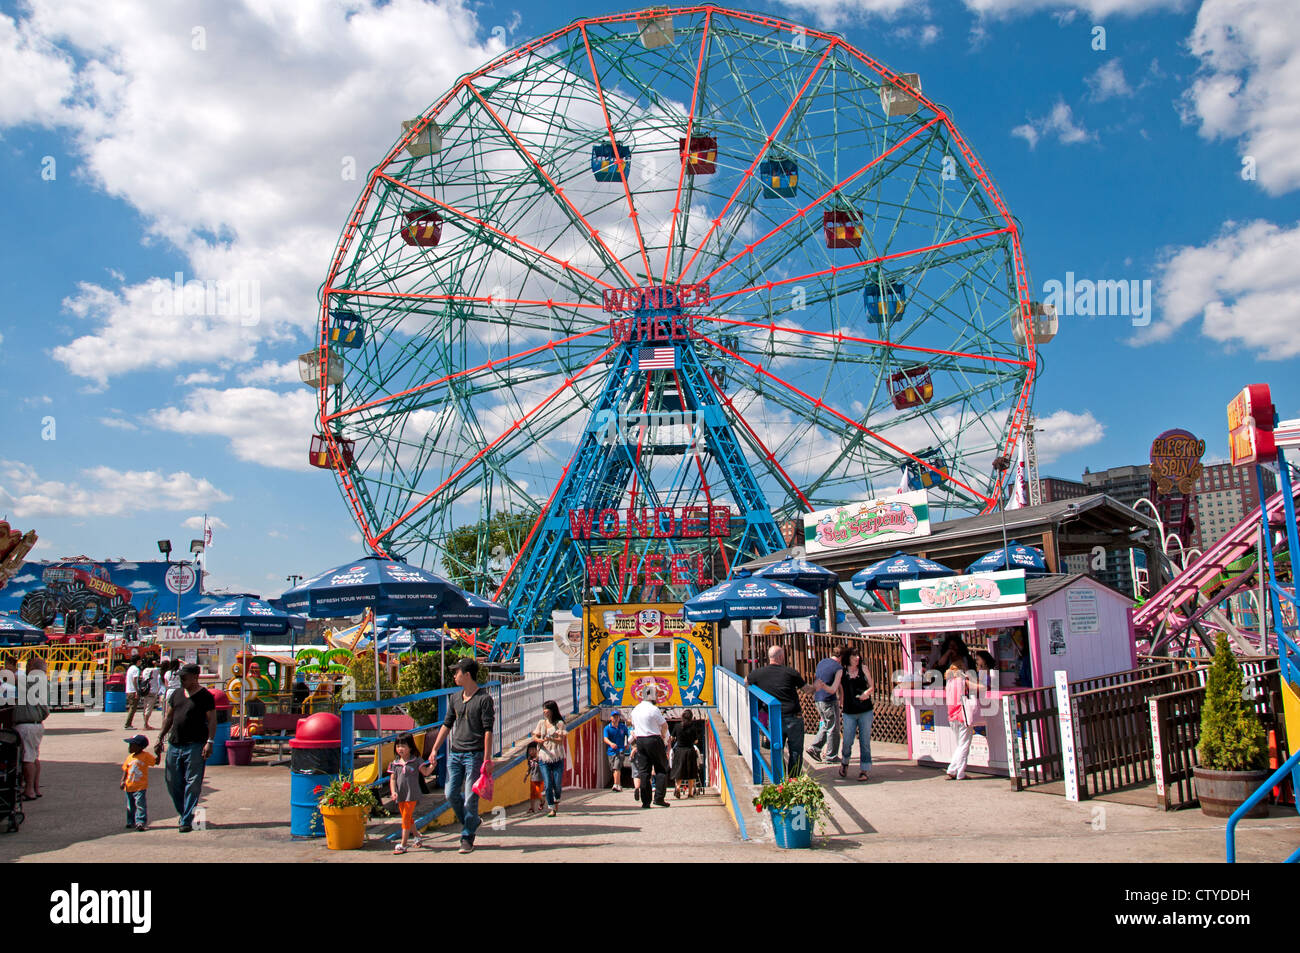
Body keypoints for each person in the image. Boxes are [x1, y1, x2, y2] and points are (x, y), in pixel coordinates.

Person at [422, 657, 494, 854]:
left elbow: (488, 730)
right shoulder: (454, 698)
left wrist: (487, 759)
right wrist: (435, 749)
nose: (454, 675)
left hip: (475, 755)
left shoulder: (484, 699)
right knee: (450, 793)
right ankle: (472, 822)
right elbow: (446, 725)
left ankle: (467, 837)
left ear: (467, 675)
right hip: (455, 754)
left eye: (457, 672)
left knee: (471, 797)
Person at [154, 663, 216, 832]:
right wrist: (160, 738)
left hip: (195, 746)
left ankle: (186, 819)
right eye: (180, 677)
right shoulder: (176, 694)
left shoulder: (205, 696)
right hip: (174, 744)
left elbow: (212, 720)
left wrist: (210, 742)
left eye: (184, 677)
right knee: (172, 781)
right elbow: (169, 717)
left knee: (193, 783)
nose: (181, 680)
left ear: (195, 677)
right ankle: (184, 812)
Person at [745, 645, 812, 776]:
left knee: (777, 749)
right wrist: (817, 686)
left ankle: (780, 778)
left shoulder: (758, 673)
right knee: (796, 751)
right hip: (793, 717)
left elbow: (746, 681)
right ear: (781, 657)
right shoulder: (791, 672)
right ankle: (793, 779)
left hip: (773, 718)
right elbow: (806, 690)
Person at [388, 732, 434, 854]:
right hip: (400, 794)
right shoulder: (395, 763)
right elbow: (392, 779)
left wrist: (432, 766)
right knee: (407, 817)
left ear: (410, 747)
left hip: (412, 794)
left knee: (405, 818)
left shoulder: (416, 760)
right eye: (398, 746)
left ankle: (403, 844)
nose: (400, 749)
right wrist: (393, 792)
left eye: (403, 746)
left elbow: (425, 772)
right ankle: (417, 835)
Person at [14, 656, 50, 801]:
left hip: (27, 725)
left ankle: (29, 790)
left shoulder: (33, 680)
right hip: (36, 724)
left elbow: (12, 680)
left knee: (27, 758)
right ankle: (35, 787)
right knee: (34, 757)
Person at [630, 684, 671, 808]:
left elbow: (633, 724)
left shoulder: (635, 709)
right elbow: (664, 725)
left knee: (644, 771)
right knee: (661, 769)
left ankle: (645, 801)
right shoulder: (653, 709)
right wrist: (663, 736)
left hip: (640, 740)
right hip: (654, 739)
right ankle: (659, 797)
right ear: (652, 696)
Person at [838, 646, 875, 781]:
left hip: (865, 709)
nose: (857, 658)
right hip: (849, 711)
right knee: (847, 740)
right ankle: (845, 761)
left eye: (858, 655)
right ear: (848, 658)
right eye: (854, 656)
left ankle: (864, 769)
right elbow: (839, 688)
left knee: (865, 741)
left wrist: (867, 693)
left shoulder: (863, 669)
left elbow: (872, 686)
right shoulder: (842, 672)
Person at [807, 644, 844, 764]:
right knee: (833, 727)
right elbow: (835, 686)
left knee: (826, 724)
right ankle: (831, 756)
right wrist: (840, 697)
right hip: (829, 699)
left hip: (818, 698)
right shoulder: (838, 668)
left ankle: (815, 748)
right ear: (842, 657)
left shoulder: (821, 662)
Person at [531, 700, 567, 817]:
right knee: (547, 783)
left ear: (552, 710)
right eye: (544, 709)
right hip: (544, 757)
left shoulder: (559, 724)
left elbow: (561, 741)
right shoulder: (541, 723)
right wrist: (538, 740)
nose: (544, 711)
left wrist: (550, 739)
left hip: (557, 757)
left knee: (557, 784)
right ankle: (551, 807)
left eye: (546, 709)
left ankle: (557, 798)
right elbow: (535, 735)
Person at [120, 733, 156, 831]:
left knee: (140, 805)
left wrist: (159, 753)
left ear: (140, 747)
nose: (129, 747)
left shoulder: (145, 756)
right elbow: (125, 770)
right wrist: (123, 781)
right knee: (130, 805)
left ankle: (140, 822)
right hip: (129, 786)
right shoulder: (129, 757)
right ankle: (130, 821)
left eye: (132, 745)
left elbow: (155, 762)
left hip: (140, 786)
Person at [944, 661, 974, 781]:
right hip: (963, 715)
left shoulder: (949, 682)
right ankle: (958, 771)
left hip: (952, 716)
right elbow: (980, 687)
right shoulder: (963, 681)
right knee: (964, 745)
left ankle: (955, 770)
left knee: (960, 744)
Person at [670, 708, 703, 799]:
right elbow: (696, 741)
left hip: (679, 751)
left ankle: (677, 788)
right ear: (691, 717)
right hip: (689, 751)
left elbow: (672, 738)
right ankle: (690, 793)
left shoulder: (677, 726)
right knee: (691, 772)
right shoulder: (693, 727)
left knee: (679, 771)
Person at [603, 709, 630, 792]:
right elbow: (605, 739)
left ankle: (615, 784)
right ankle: (619, 784)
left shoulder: (622, 727)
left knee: (616, 767)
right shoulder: (607, 728)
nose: (616, 718)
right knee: (614, 769)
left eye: (617, 717)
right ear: (611, 718)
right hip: (611, 751)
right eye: (614, 717)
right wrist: (611, 744)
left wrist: (627, 743)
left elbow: (628, 734)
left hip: (620, 750)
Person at [138, 658, 160, 731]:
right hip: (153, 691)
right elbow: (162, 666)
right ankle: (146, 724)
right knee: (149, 708)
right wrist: (156, 663)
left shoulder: (144, 670)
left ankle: (145, 723)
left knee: (145, 707)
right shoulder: (156, 670)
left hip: (145, 690)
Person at [524, 741, 544, 815]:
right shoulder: (530, 760)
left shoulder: (539, 758)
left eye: (533, 750)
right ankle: (532, 808)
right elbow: (529, 768)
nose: (531, 752)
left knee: (537, 792)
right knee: (532, 794)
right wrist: (526, 776)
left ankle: (542, 801)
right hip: (533, 779)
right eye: (529, 750)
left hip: (540, 778)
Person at [123, 656, 142, 730]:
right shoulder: (136, 669)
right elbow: (135, 680)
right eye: (140, 661)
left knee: (132, 707)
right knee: (132, 708)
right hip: (133, 691)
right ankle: (128, 724)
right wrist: (137, 691)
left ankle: (128, 724)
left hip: (129, 690)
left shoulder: (130, 668)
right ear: (137, 661)